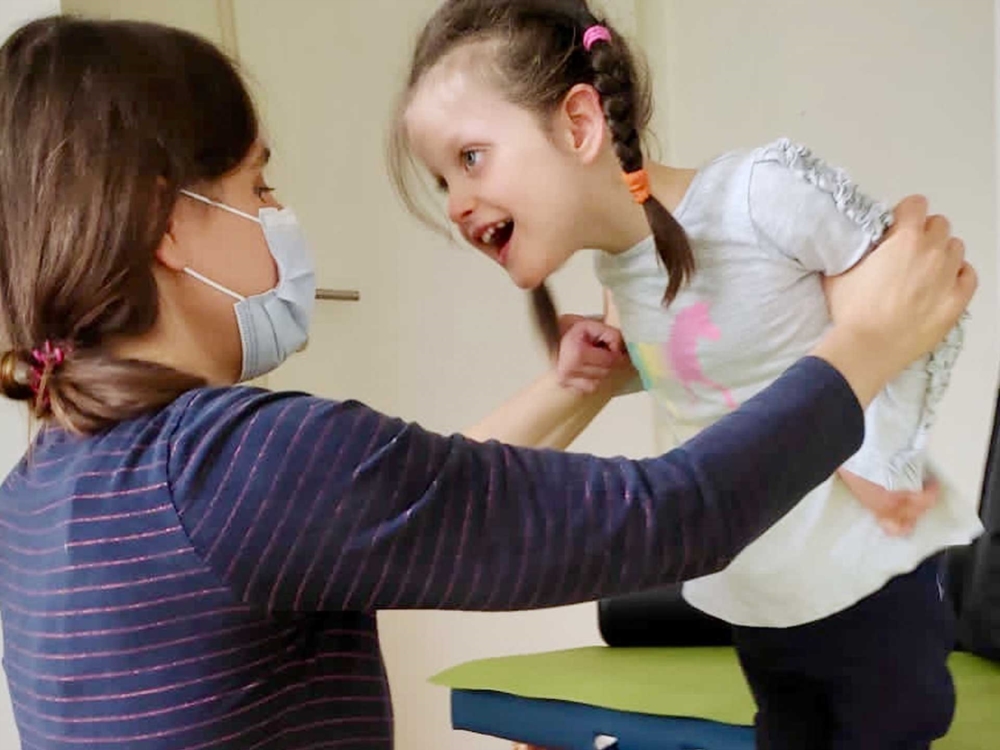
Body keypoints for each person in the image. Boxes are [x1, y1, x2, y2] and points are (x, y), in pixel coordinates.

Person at [0, 15, 973, 750]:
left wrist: (574, 387)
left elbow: (412, 498)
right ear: (167, 224)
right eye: (258, 187)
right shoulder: (238, 464)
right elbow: (674, 515)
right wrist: (872, 339)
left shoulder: (41, 492)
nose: (279, 213)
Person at [393, 1, 982, 747]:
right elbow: (713, 365)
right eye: (441, 181)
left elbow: (923, 312)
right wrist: (612, 369)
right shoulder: (621, 275)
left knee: (893, 726)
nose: (456, 205)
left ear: (579, 124)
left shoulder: (759, 195)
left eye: (470, 158)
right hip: (760, 586)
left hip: (863, 573)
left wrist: (880, 466)